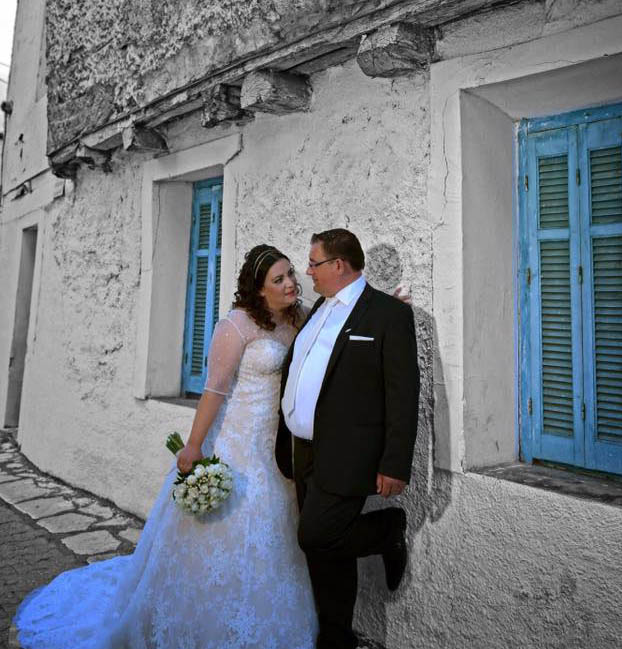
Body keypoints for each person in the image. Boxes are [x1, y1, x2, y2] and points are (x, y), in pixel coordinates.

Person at [14, 245, 318, 649]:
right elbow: (214, 390)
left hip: (277, 446)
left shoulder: (300, 318)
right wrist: (193, 445)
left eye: (290, 274)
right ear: (259, 289)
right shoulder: (237, 325)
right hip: (238, 442)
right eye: (278, 279)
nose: (291, 283)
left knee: (275, 533)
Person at [276, 229, 420, 649]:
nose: (308, 272)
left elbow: (402, 394)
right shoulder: (318, 310)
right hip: (301, 449)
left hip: (347, 454)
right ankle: (336, 637)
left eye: (313, 263)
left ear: (338, 265)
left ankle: (387, 529)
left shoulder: (388, 314)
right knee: (323, 552)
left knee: (316, 535)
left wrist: (395, 463)